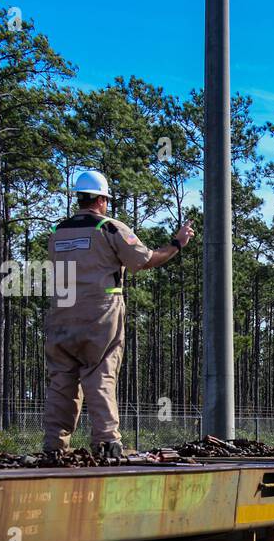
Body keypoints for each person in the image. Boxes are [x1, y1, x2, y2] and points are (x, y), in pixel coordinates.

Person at [43, 170, 195, 458]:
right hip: (99, 315)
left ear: (80, 197)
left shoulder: (57, 232)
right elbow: (145, 260)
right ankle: (106, 443)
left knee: (61, 381)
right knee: (100, 374)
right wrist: (177, 244)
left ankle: (54, 445)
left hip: (61, 316)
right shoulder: (109, 228)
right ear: (101, 200)